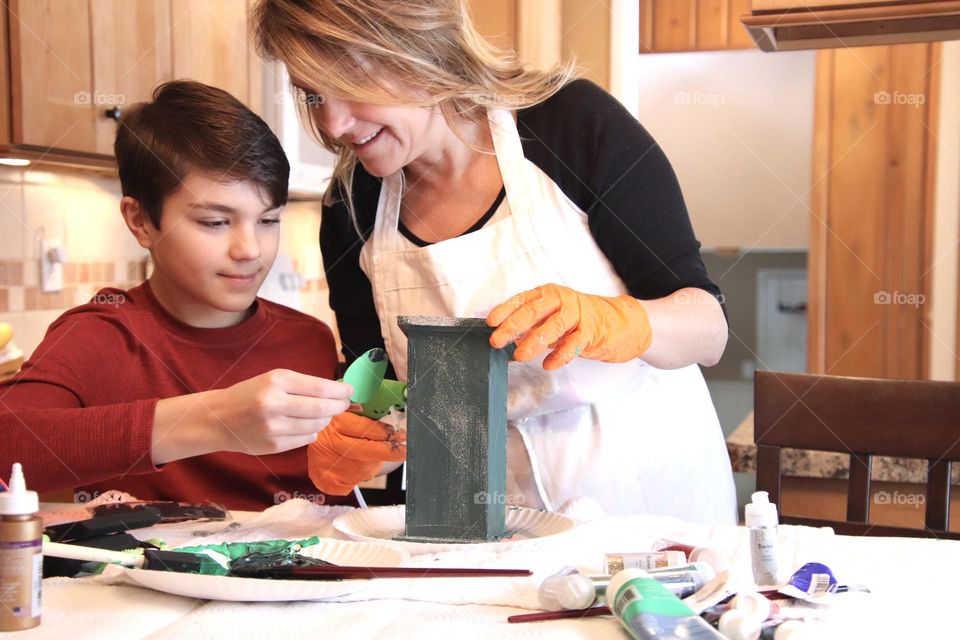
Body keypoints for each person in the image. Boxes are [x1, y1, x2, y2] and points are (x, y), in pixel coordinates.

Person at [254, 0, 737, 523]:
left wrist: (623, 322)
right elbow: (377, 384)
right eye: (313, 95)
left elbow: (707, 331)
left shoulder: (571, 124)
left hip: (644, 507)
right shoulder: (351, 206)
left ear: (418, 46)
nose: (333, 123)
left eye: (346, 84)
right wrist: (354, 431)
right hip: (474, 527)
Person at [0, 80, 405, 511]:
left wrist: (375, 448)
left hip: (303, 571)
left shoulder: (307, 339)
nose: (250, 250)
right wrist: (213, 419)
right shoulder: (100, 335)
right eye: (215, 222)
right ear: (140, 221)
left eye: (268, 221)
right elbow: (9, 445)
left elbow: (346, 463)